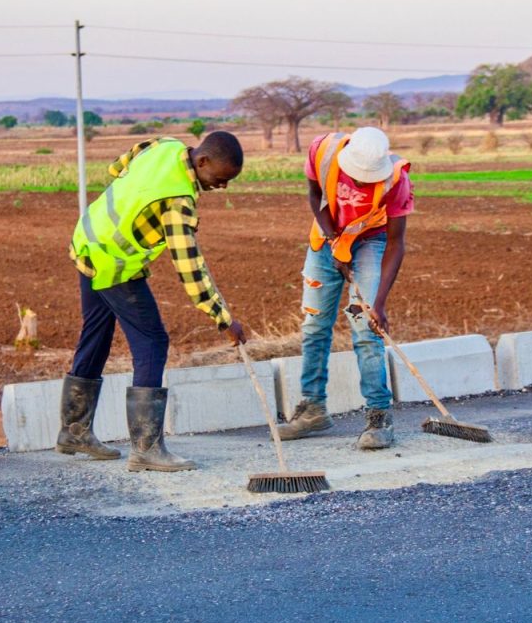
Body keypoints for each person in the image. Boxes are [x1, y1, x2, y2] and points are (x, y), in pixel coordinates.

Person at [56, 131, 247, 472]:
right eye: (220, 179)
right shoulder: (178, 201)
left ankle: (74, 432)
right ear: (202, 162)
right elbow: (190, 268)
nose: (223, 187)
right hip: (114, 261)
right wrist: (223, 318)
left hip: (88, 239)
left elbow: (118, 168)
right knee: (152, 341)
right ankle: (145, 448)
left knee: (96, 333)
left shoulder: (165, 145)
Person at [278, 127, 413, 450]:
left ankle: (379, 415)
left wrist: (378, 304)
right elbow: (315, 195)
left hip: (372, 240)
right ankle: (312, 408)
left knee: (366, 327)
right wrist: (333, 239)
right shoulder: (322, 151)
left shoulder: (396, 179)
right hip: (326, 236)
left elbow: (396, 243)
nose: (363, 182)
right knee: (314, 325)